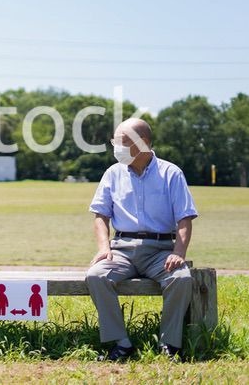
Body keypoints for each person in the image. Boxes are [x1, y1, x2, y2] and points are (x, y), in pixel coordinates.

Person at [85, 118, 198, 362]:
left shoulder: (171, 173)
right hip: (121, 250)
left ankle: (169, 344)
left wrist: (178, 253)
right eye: (115, 141)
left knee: (181, 278)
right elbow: (100, 215)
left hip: (160, 250)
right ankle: (121, 344)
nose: (117, 147)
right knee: (96, 275)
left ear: (144, 143)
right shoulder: (113, 174)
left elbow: (185, 219)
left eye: (123, 142)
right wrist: (104, 248)